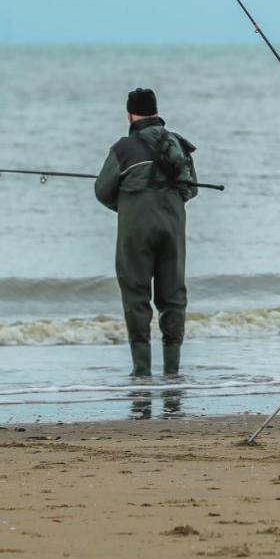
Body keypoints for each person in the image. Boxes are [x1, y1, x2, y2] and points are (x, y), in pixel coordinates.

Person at [94, 87, 198, 377]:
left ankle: (141, 372)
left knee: (136, 297)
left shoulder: (123, 149)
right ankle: (172, 372)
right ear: (156, 112)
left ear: (129, 115)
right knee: (173, 298)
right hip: (172, 230)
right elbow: (191, 189)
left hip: (135, 231)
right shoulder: (179, 145)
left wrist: (128, 206)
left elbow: (102, 191)